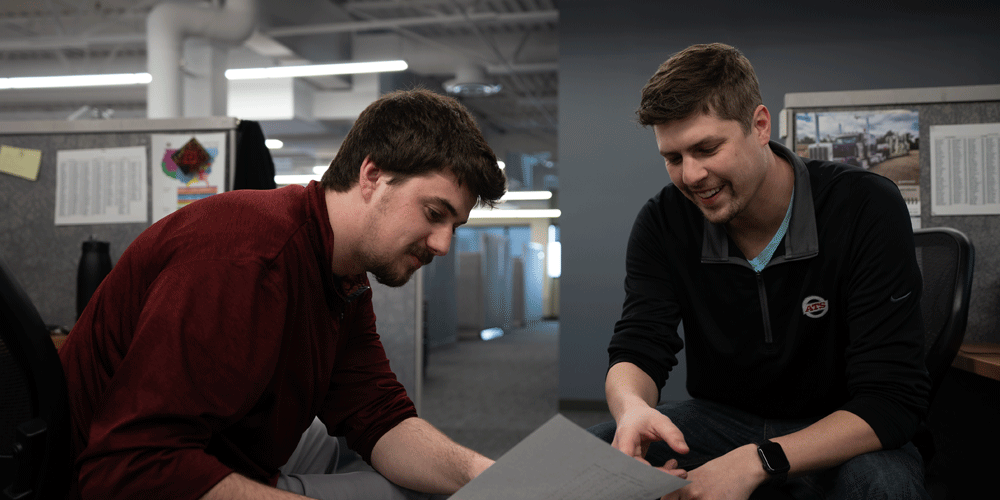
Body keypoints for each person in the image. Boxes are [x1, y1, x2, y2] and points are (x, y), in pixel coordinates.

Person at [59, 88, 507, 500]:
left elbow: (378, 415)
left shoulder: (342, 274)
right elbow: (131, 466)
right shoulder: (246, 259)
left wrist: (481, 473)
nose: (443, 244)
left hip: (216, 453)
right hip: (100, 482)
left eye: (454, 226)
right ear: (372, 175)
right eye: (433, 213)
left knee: (388, 471)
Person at [588, 43, 931, 500]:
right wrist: (631, 409)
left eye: (707, 148)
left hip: (841, 427)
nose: (691, 175)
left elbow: (891, 402)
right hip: (721, 420)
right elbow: (639, 344)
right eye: (673, 158)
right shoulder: (663, 222)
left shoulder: (865, 206)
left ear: (760, 126)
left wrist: (757, 461)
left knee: (884, 487)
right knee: (593, 456)